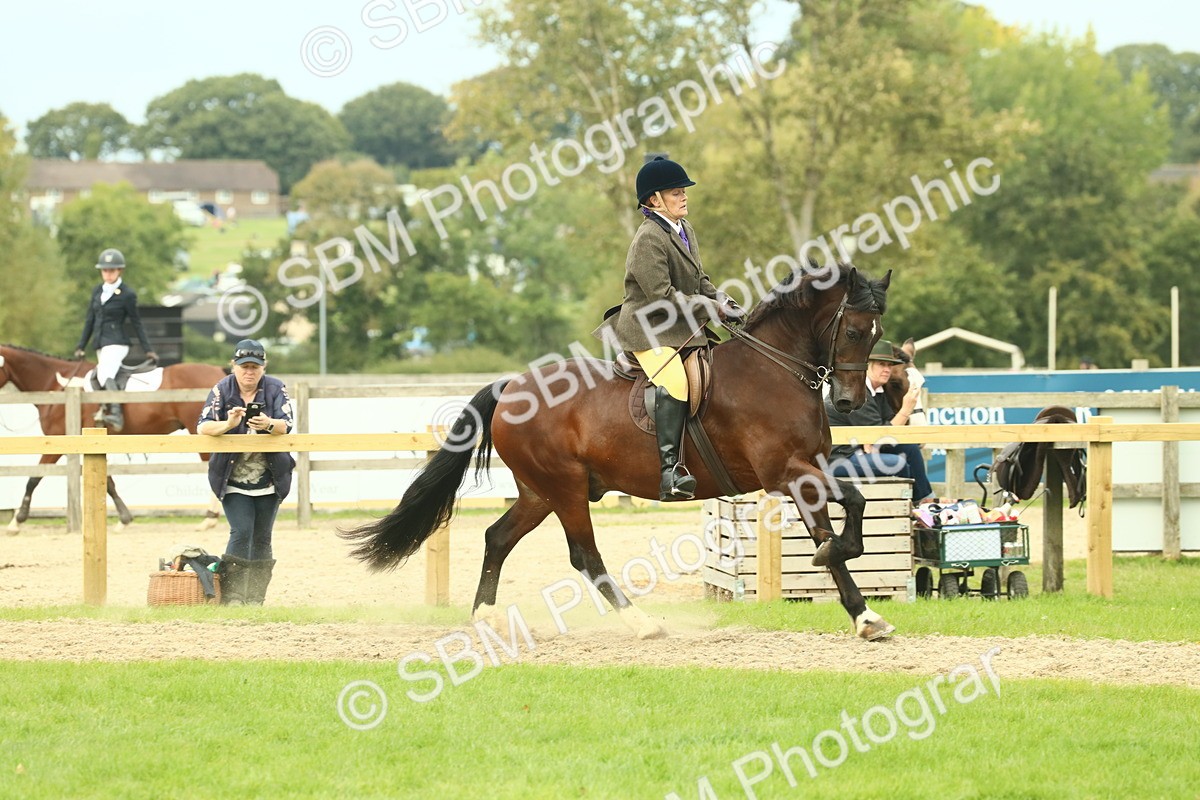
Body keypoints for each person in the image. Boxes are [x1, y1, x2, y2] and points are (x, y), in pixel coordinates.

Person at [592, 156, 742, 501]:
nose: (684, 197)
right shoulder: (648, 239)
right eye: (676, 192)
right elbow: (660, 295)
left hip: (681, 326)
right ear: (654, 200)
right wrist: (709, 307)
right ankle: (670, 472)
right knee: (675, 382)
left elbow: (700, 280)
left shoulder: (684, 230)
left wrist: (725, 301)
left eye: (683, 191)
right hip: (649, 327)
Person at [198, 339, 295, 605]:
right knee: (241, 532)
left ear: (263, 367)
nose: (249, 372)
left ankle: (255, 598)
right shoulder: (222, 388)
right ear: (234, 366)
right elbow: (203, 426)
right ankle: (233, 596)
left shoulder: (276, 388)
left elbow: (286, 425)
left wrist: (267, 424)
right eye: (244, 366)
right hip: (231, 477)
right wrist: (229, 423)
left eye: (255, 366)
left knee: (262, 536)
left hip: (270, 476)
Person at [825, 339, 935, 503]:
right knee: (897, 463)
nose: (887, 369)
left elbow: (886, 427)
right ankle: (905, 510)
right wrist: (906, 410)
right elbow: (882, 436)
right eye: (881, 364)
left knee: (910, 449)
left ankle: (926, 501)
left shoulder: (878, 391)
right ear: (867, 365)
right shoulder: (856, 391)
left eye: (889, 365)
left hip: (857, 451)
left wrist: (875, 440)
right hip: (839, 459)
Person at [73, 248, 157, 432]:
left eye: (112, 270)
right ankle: (105, 408)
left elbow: (136, 322)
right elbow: (90, 320)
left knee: (105, 375)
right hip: (100, 343)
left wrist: (147, 349)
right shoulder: (97, 291)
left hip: (117, 343)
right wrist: (81, 345)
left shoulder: (127, 294)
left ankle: (117, 415)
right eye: (105, 270)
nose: (108, 274)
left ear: (120, 271)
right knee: (99, 376)